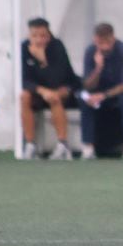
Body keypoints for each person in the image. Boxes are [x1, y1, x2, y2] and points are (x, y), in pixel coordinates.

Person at [19, 18, 79, 160]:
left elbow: (60, 79)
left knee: (55, 96)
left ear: (49, 34)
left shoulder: (57, 47)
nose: (39, 40)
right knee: (24, 96)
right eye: (35, 36)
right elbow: (24, 79)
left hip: (60, 89)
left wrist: (43, 60)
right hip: (39, 92)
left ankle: (62, 144)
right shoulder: (24, 48)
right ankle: (30, 144)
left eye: (43, 36)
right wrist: (41, 91)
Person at [79, 22, 123, 160]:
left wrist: (104, 95)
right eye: (100, 42)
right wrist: (98, 68)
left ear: (113, 38)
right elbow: (88, 85)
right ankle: (88, 145)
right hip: (98, 92)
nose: (104, 46)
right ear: (95, 40)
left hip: (119, 92)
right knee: (83, 99)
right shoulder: (90, 51)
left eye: (107, 41)